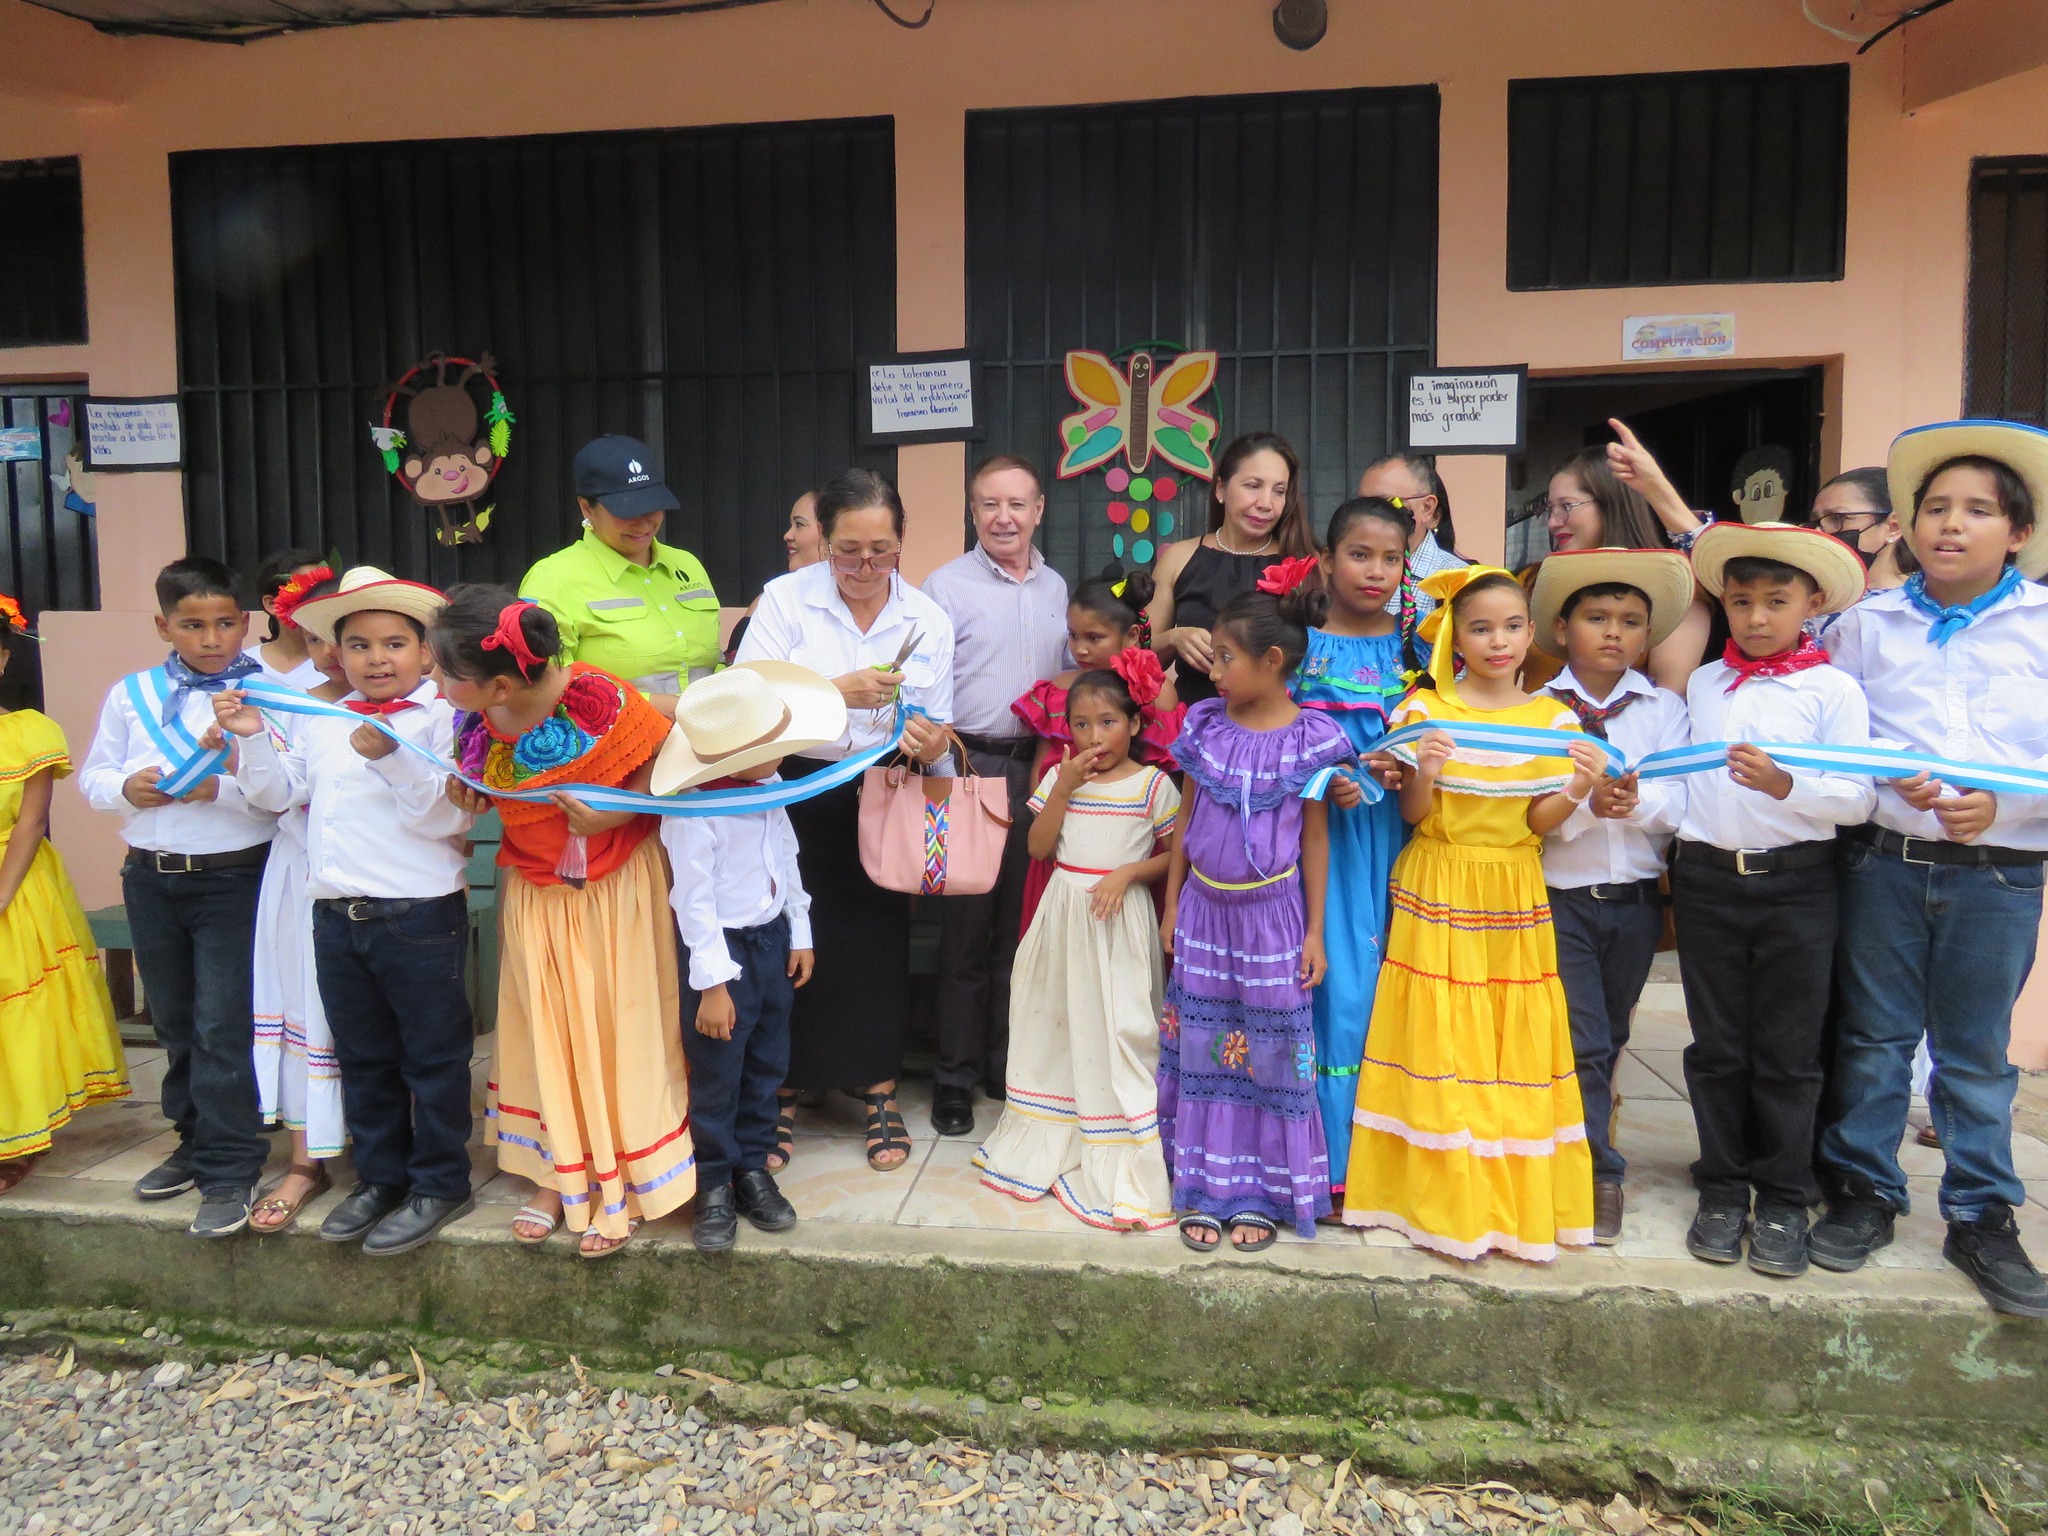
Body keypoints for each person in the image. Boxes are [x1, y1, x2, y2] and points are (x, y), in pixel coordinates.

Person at [1811, 422, 2048, 1318]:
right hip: (1886, 864)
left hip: (2000, 876)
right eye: (1936, 508)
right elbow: (1831, 733)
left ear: (2018, 532)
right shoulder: (1867, 627)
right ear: (1907, 525)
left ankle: (1982, 1214)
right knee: (1873, 1037)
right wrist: (1882, 776)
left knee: (1976, 1053)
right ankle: (1865, 1192)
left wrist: (2005, 807)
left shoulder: (2042, 627)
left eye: (1978, 511)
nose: (1951, 525)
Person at [214, 567, 477, 1255]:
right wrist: (250, 738)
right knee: (363, 1057)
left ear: (426, 652)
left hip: (418, 917)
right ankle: (381, 1178)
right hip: (335, 916)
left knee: (433, 1059)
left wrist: (392, 759)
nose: (377, 659)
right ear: (338, 654)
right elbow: (278, 797)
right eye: (359, 645)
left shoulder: (447, 718)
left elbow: (444, 817)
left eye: (394, 643)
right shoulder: (324, 718)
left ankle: (440, 1182)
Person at [1342, 566, 1599, 1263]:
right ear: (1455, 638)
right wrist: (1424, 769)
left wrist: (1579, 785)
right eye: (1481, 628)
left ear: (1532, 632)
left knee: (1506, 1037)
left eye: (1512, 626)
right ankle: (1428, 1201)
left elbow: (1538, 821)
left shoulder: (1553, 720)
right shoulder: (1426, 711)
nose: (1498, 641)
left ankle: (1504, 1203)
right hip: (1439, 877)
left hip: (1513, 886)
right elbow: (1413, 812)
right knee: (1439, 1034)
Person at [433, 586, 690, 1258]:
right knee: (545, 1027)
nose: (435, 683)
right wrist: (471, 795)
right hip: (536, 894)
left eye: (446, 672)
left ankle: (624, 1174)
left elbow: (664, 753)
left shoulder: (600, 697)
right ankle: (557, 1173)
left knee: (616, 1023)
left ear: (496, 685)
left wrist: (619, 810)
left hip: (616, 890)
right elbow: (493, 790)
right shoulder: (477, 724)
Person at [735, 469, 953, 1172]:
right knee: (790, 941)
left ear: (901, 542)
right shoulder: (785, 601)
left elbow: (939, 723)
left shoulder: (926, 618)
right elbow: (746, 702)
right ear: (823, 540)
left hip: (883, 790)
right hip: (795, 788)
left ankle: (878, 1088)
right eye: (848, 551)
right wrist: (835, 692)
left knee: (875, 941)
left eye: (881, 551)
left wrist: (932, 741)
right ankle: (784, 1090)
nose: (864, 567)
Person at [1671, 522, 1872, 1278]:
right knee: (1718, 1046)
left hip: (1797, 885)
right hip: (1707, 882)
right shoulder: (1704, 684)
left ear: (1812, 604)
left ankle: (1785, 1195)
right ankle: (1722, 1187)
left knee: (1789, 1049)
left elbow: (1856, 797)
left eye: (1776, 602)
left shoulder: (1833, 690)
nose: (1756, 618)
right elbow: (1684, 781)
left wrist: (1788, 785)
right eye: (1741, 601)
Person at [80, 558, 276, 1240]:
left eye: (224, 623)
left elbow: (289, 789)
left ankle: (231, 1166)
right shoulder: (131, 693)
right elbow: (94, 775)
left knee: (223, 1023)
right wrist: (124, 789)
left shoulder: (269, 693)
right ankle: (193, 1142)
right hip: (149, 877)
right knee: (175, 1019)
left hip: (233, 877)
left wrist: (219, 788)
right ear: (164, 626)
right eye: (193, 625)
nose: (211, 639)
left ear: (244, 623)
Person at [1158, 575, 1353, 1249]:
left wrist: (1314, 933)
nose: (1213, 670)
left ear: (1272, 662)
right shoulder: (1205, 726)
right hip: (1204, 915)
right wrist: (1171, 906)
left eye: (1226, 658)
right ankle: (1206, 1187)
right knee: (1204, 1050)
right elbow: (1185, 820)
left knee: (1270, 1055)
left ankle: (1263, 1194)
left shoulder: (1313, 740)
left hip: (1274, 922)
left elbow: (1316, 840)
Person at [1527, 549, 1695, 1244]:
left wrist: (1635, 801)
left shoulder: (1664, 710)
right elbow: (1525, 808)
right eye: (1597, 618)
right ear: (1562, 629)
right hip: (1559, 895)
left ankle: (1579, 1147)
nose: (1613, 632)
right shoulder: (1537, 711)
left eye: (1629, 621)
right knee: (1582, 1037)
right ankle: (1597, 1173)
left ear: (1648, 635)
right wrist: (1586, 804)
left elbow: (1682, 797)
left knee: (1613, 1034)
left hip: (1634, 901)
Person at [973, 667, 1180, 1230]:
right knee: (1057, 1023)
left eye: (1108, 722)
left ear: (1134, 724)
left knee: (1120, 1025)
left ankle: (1116, 1137)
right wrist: (1063, 787)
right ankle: (1052, 1132)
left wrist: (1129, 873)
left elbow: (1176, 855)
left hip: (1117, 924)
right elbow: (1039, 847)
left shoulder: (1153, 785)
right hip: (1063, 919)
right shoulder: (1059, 778)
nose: (1094, 736)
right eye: (1081, 724)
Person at [653, 662, 842, 1253]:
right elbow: (694, 901)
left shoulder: (769, 791)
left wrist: (800, 931)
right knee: (718, 1070)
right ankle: (713, 1179)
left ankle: (752, 1167)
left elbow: (787, 861)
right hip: (722, 955)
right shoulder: (693, 810)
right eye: (774, 747)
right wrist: (712, 985)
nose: (783, 756)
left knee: (766, 1060)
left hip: (771, 944)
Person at [920, 454, 1071, 1137]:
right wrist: (942, 773)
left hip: (1035, 769)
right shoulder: (944, 587)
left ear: (1039, 510)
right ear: (972, 511)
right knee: (964, 933)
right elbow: (925, 690)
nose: (1003, 517)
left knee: (1021, 927)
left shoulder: (1054, 586)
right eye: (990, 504)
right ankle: (952, 1077)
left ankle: (1004, 1067)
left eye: (1017, 504)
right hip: (965, 765)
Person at [1290, 497, 1419, 1211]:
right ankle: (1329, 1163)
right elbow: (1269, 739)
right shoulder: (1297, 648)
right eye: (1359, 554)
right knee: (1338, 989)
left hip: (1402, 839)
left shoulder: (1421, 651)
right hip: (1321, 846)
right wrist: (1323, 778)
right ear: (1326, 561)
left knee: (1399, 987)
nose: (1376, 571)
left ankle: (1393, 1161)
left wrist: (1411, 768)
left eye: (1391, 558)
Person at [0, 597, 128, 1194]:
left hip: (17, 881)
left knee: (18, 1007)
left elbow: (31, 823)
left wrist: (3, 895)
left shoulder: (28, 733)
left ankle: (18, 1136)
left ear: (4, 658)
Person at [242, 569, 351, 1233]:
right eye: (315, 639)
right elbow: (273, 796)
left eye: (346, 636)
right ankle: (307, 1161)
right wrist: (250, 738)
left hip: (386, 881)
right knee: (305, 1007)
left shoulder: (420, 706)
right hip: (301, 876)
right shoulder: (291, 705)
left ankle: (390, 1156)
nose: (333, 653)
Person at [1011, 572, 1184, 936]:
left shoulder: (1154, 693)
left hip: (1129, 857)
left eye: (1094, 637)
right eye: (1073, 636)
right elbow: (1041, 774)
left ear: (1131, 636)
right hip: (1062, 848)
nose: (1080, 649)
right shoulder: (1060, 690)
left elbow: (1161, 776)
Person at [520, 435, 720, 707]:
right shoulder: (552, 578)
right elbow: (544, 685)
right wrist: (650, 706)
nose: (644, 523)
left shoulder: (687, 565)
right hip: (618, 733)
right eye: (627, 511)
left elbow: (714, 662)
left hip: (709, 726)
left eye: (653, 506)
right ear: (586, 507)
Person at [1148, 432, 1318, 709]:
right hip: (1192, 722)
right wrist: (1174, 639)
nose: (1266, 503)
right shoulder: (1178, 557)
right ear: (1220, 489)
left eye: (1279, 491)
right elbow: (1136, 656)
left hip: (1276, 725)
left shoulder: (1299, 562)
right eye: (1253, 486)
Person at [1541, 442, 1712, 692]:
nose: (1553, 522)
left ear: (1610, 504)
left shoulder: (1673, 592)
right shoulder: (1535, 582)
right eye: (1550, 509)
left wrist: (1657, 487)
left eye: (1567, 506)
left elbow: (1668, 700)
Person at [1355, 454, 1468, 617]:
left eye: (1386, 503)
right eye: (1360, 505)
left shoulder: (1460, 582)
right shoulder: (1341, 572)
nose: (1368, 516)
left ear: (1427, 508)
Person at [723, 491, 827, 666]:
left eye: (799, 524)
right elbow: (744, 674)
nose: (788, 535)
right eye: (791, 524)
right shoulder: (775, 599)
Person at [248, 550, 331, 691]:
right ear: (272, 604)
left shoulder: (341, 666)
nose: (318, 604)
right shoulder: (242, 666)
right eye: (306, 595)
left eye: (326, 594)